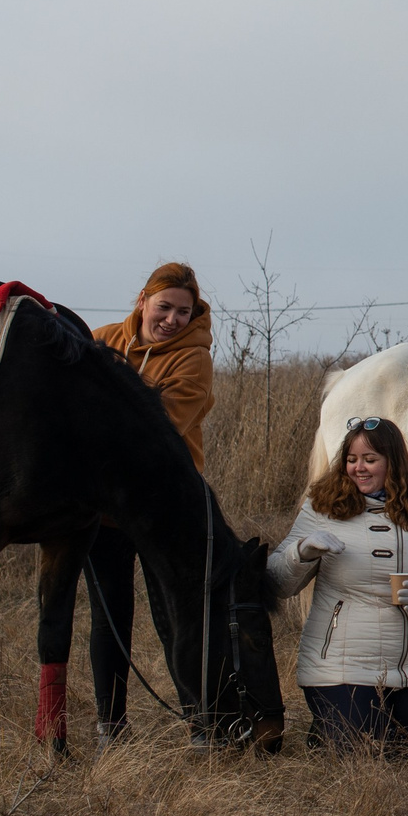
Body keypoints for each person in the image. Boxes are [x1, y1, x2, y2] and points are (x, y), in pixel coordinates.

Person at [84, 263, 285, 751]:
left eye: (183, 311)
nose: (172, 319)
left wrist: (93, 429)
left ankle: (204, 723)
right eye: (164, 307)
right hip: (104, 506)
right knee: (108, 612)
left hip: (166, 505)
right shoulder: (101, 341)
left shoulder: (194, 359)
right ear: (142, 301)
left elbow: (159, 433)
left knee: (179, 614)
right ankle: (111, 725)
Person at [266, 416, 408, 748]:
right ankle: (330, 729)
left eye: (369, 459)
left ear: (393, 462)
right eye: (351, 459)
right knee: (363, 751)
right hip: (340, 667)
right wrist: (300, 552)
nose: (358, 468)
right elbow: (277, 583)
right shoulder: (322, 507)